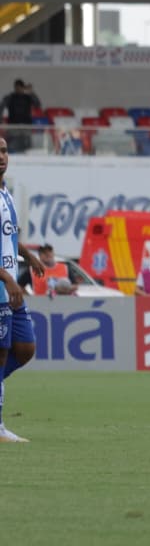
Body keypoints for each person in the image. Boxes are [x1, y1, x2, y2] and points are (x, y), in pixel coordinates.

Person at [0, 136, 44, 442]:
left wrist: (26, 254)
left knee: (25, 348)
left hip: (10, 288)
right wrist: (7, 278)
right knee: (1, 353)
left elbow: (10, 234)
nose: (1, 155)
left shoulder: (8, 194)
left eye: (3, 150)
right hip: (4, 286)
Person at [1, 80, 41, 154]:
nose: (18, 89)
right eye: (17, 87)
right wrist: (1, 120)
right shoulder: (10, 97)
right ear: (15, 87)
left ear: (23, 87)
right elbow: (2, 106)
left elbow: (37, 104)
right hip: (13, 126)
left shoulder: (28, 97)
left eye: (20, 87)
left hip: (26, 126)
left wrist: (32, 93)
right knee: (11, 145)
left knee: (27, 146)